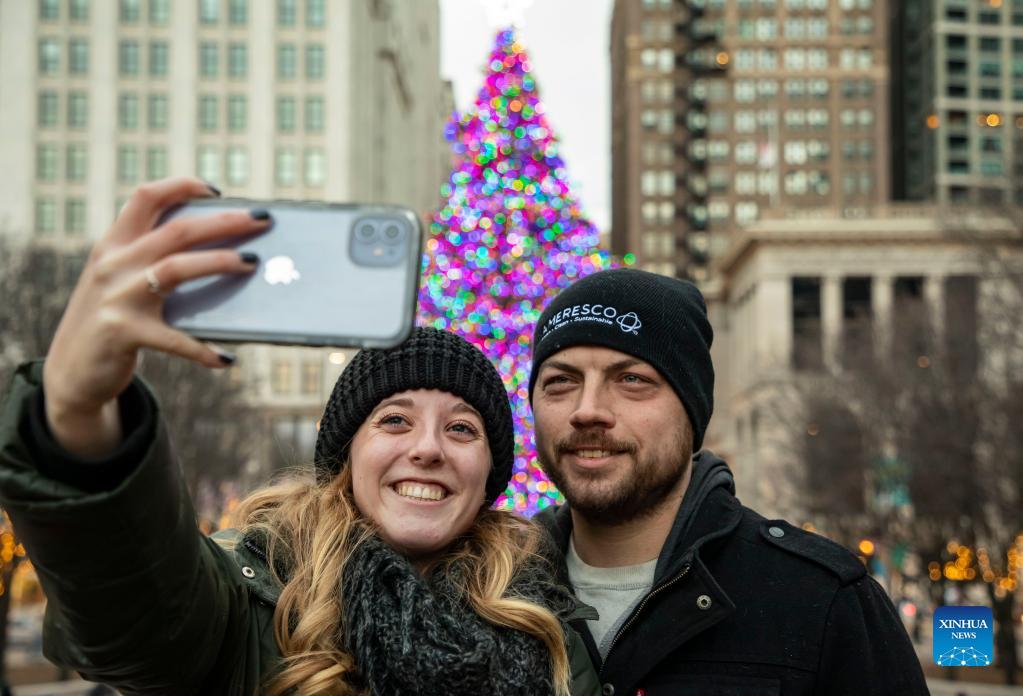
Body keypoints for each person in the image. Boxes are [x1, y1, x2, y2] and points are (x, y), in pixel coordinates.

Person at [0, 177, 601, 696]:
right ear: (346, 454)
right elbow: (128, 610)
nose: (427, 448)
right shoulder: (248, 597)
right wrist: (78, 411)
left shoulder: (546, 624)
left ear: (490, 472)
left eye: (462, 429)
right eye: (394, 419)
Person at [528, 268, 929, 696]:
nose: (587, 410)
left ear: (692, 409)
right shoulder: (486, 595)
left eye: (632, 379)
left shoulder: (824, 601)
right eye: (561, 381)